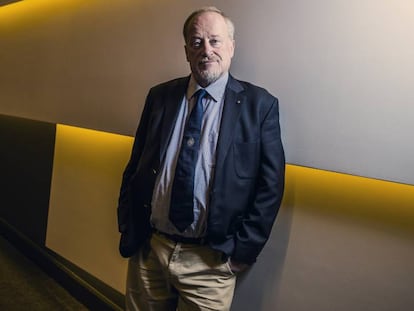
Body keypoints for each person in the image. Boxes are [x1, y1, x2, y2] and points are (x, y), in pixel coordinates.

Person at [117, 6, 285, 311]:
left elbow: (270, 188)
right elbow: (136, 164)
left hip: (211, 264)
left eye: (215, 41)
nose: (206, 50)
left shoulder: (259, 106)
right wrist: (128, 226)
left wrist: (240, 254)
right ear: (186, 51)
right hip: (150, 251)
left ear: (231, 47)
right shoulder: (159, 97)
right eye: (196, 42)